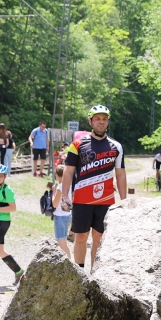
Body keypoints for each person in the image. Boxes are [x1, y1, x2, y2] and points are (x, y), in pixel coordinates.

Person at [60, 105, 126, 270]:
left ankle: (95, 273)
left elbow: (121, 175)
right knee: (81, 237)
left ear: (108, 122)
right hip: (82, 200)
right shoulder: (77, 144)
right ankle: (80, 273)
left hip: (106, 201)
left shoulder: (116, 146)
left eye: (104, 119)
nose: (101, 122)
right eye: (97, 119)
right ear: (90, 121)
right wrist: (65, 196)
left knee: (99, 238)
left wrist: (125, 202)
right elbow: (68, 172)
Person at [50, 165, 74, 260]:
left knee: (61, 241)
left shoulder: (60, 187)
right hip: (68, 215)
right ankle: (66, 259)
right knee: (62, 241)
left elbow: (55, 204)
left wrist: (53, 192)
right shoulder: (70, 185)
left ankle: (69, 260)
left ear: (57, 175)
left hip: (60, 216)